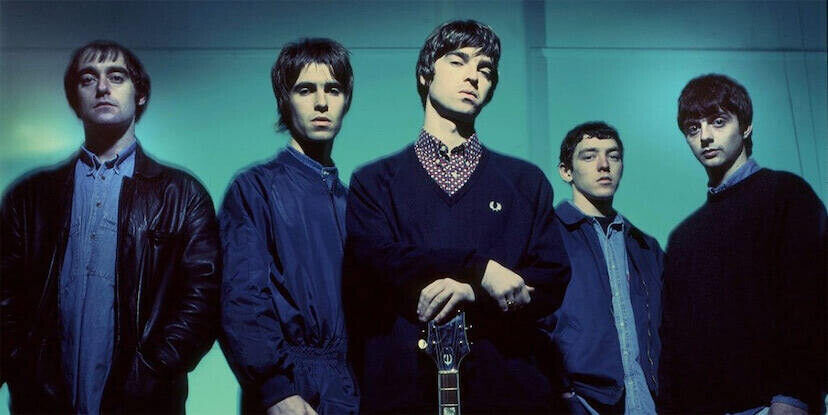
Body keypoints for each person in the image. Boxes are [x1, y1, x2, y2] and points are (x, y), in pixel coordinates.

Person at [344, 20, 571, 413]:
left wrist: (473, 291)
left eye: (486, 69)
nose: (473, 76)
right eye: (458, 61)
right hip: (404, 393)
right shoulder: (374, 181)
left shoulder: (525, 182)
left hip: (507, 391)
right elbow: (377, 261)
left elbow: (551, 278)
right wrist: (479, 269)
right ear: (424, 74)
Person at [0, 40, 220, 414]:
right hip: (43, 401)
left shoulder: (182, 195)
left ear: (140, 95)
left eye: (116, 77)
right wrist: (25, 368)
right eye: (88, 79)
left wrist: (153, 371)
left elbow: (202, 299)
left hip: (146, 402)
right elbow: (4, 296)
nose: (102, 87)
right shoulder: (29, 197)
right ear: (75, 99)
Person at [659, 74, 826, 414]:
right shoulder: (683, 238)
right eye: (693, 128)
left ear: (746, 126)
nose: (705, 136)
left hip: (773, 405)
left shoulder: (787, 195)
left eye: (718, 122)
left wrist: (795, 395)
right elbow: (676, 340)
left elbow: (813, 300)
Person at [218, 38, 358, 415]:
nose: (321, 103)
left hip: (352, 389)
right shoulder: (255, 189)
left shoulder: (355, 205)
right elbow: (241, 297)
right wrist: (275, 390)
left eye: (333, 89)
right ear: (285, 100)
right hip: (290, 390)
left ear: (346, 100)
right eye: (305, 90)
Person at [548, 122, 663, 414]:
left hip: (647, 402)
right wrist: (561, 390)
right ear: (566, 171)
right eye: (589, 156)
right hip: (580, 402)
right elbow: (531, 322)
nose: (604, 165)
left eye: (613, 156)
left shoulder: (645, 247)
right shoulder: (546, 236)